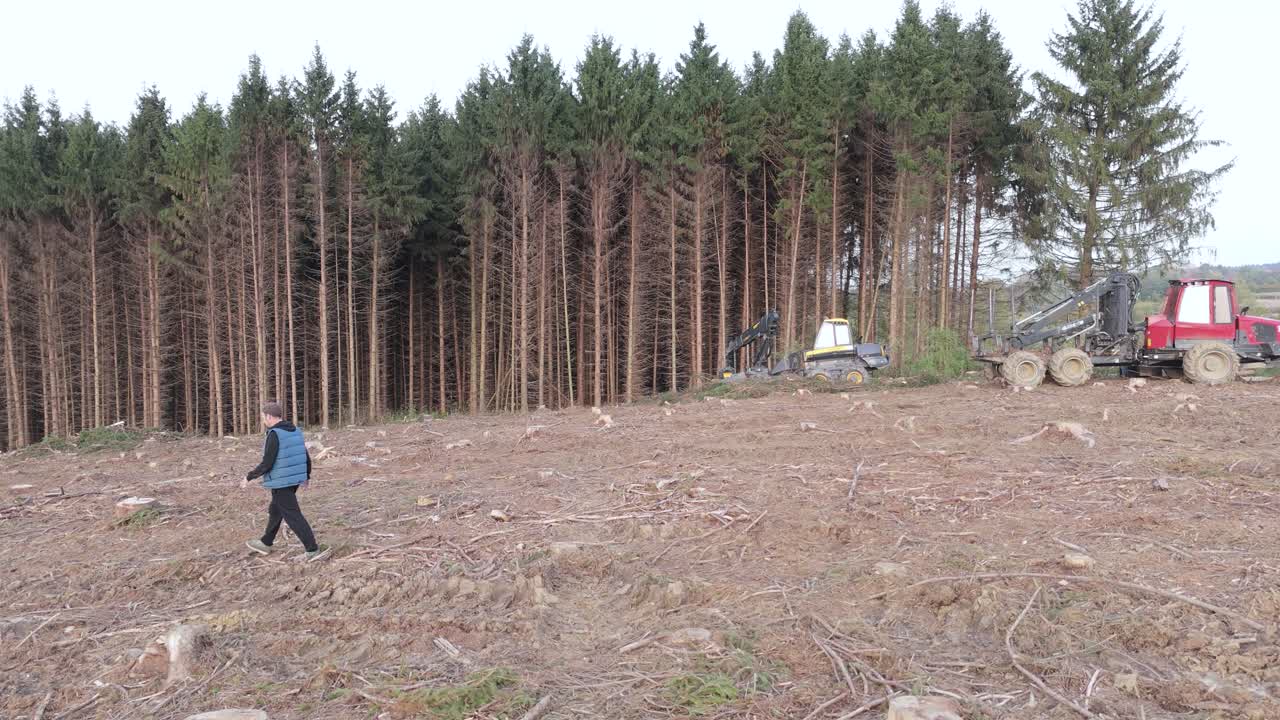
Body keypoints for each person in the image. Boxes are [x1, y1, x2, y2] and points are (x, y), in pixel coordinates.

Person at [242, 401, 326, 561]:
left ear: (268, 416)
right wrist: (306, 476)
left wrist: (249, 476)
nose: (263, 420)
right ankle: (266, 542)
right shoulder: (295, 430)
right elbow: (305, 455)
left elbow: (267, 462)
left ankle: (312, 549)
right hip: (293, 479)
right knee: (275, 509)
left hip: (282, 481)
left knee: (292, 515)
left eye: (263, 417)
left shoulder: (274, 433)